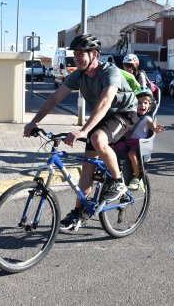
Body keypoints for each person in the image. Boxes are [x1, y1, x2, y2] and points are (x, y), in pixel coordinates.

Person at [23, 34, 138, 230]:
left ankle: (118, 182)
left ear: (94, 54)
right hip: (102, 117)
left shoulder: (109, 72)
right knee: (87, 165)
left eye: (80, 54)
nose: (76, 58)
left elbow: (105, 102)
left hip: (124, 113)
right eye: (74, 53)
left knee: (97, 137)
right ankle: (79, 212)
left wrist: (83, 130)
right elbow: (54, 98)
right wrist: (34, 121)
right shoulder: (79, 75)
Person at [124, 87, 164, 191]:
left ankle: (137, 177)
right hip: (128, 142)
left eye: (145, 103)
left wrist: (155, 128)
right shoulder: (132, 116)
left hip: (139, 144)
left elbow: (152, 125)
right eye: (139, 103)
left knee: (131, 154)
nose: (143, 105)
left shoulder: (147, 118)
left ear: (149, 105)